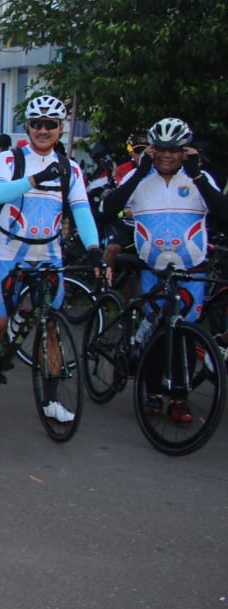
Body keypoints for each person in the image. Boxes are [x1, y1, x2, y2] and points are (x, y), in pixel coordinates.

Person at [0, 95, 102, 421]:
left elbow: (82, 210)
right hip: (10, 251)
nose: (43, 130)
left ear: (61, 129)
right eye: (37, 124)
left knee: (51, 329)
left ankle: (51, 401)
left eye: (50, 125)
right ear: (28, 126)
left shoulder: (70, 168)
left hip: (49, 252)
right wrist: (34, 179)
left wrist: (94, 250)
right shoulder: (10, 158)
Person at [102, 117, 228, 422]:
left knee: (184, 334)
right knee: (158, 332)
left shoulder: (199, 179)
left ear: (185, 150)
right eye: (161, 149)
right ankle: (154, 392)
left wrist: (197, 177)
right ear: (152, 150)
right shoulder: (139, 178)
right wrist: (140, 173)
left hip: (190, 271)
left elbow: (224, 215)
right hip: (154, 270)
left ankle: (180, 398)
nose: (168, 155)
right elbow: (108, 208)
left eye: (175, 149)